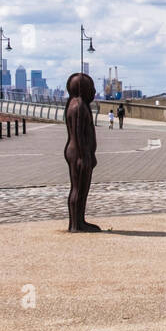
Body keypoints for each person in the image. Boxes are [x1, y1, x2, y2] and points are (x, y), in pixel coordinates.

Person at [64, 73, 101, 232]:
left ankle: (79, 220)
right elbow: (79, 134)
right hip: (79, 153)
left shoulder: (74, 104)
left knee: (79, 188)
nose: (93, 91)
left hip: (79, 151)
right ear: (82, 89)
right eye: (91, 88)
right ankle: (76, 224)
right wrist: (84, 156)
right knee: (79, 189)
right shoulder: (79, 106)